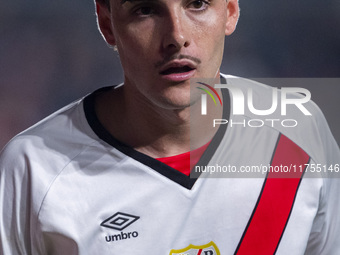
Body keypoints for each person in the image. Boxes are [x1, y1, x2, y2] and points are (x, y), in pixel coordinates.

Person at [1, 0, 339, 254]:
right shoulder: (34, 168)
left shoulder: (298, 128)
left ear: (232, 10)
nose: (177, 36)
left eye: (196, 4)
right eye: (146, 10)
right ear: (107, 24)